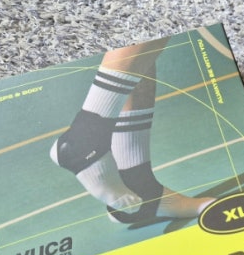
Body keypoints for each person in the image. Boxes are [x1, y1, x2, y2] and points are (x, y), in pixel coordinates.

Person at [50, 37, 213, 223]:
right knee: (146, 32)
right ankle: (85, 139)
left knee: (142, 51)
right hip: (84, 142)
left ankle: (135, 180)